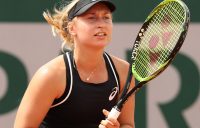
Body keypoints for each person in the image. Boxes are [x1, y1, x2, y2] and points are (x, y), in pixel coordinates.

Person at [14, 0, 135, 128]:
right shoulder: (51, 75)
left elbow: (127, 124)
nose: (101, 24)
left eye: (106, 17)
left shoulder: (123, 71)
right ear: (72, 28)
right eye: (91, 18)